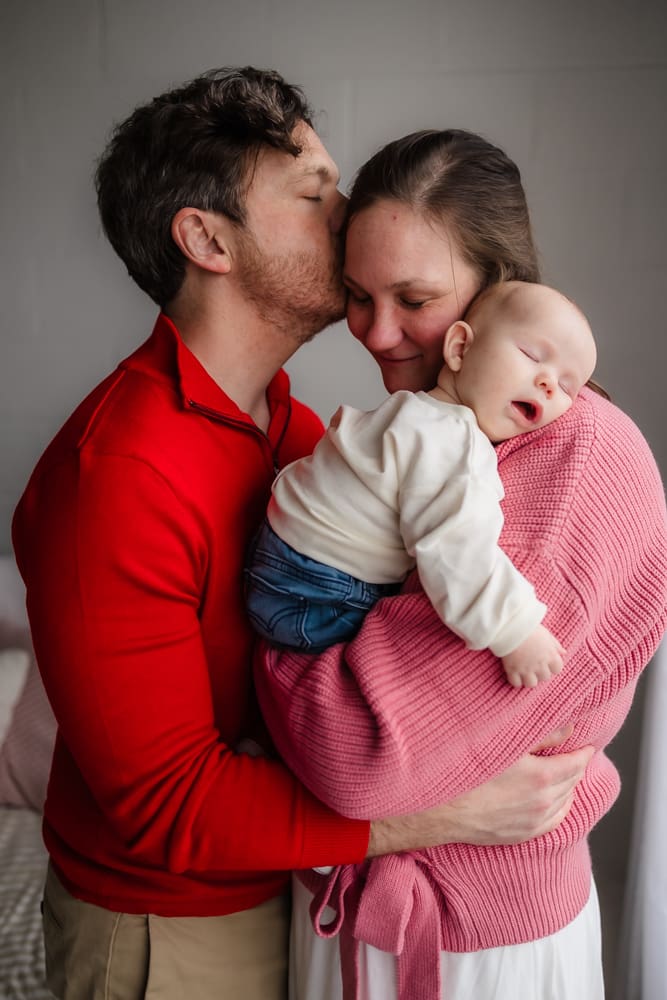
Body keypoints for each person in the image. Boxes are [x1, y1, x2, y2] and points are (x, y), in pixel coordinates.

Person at [9, 73, 590, 1000]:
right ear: (206, 240)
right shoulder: (112, 479)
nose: (348, 207)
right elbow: (166, 807)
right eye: (314, 192)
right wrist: (435, 815)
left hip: (293, 892)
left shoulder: (294, 430)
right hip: (168, 937)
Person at [253, 130, 667, 1000]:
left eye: (415, 297)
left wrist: (277, 676)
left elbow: (354, 758)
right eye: (359, 296)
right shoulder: (447, 437)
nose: (378, 332)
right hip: (356, 905)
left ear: (496, 290)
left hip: (477, 942)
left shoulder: (573, 456)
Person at [246, 280, 597, 688]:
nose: (549, 383)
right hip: (319, 591)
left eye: (569, 386)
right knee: (412, 668)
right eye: (532, 355)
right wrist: (514, 631)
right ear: (460, 348)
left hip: (274, 555)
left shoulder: (411, 411)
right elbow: (457, 551)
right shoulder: (454, 443)